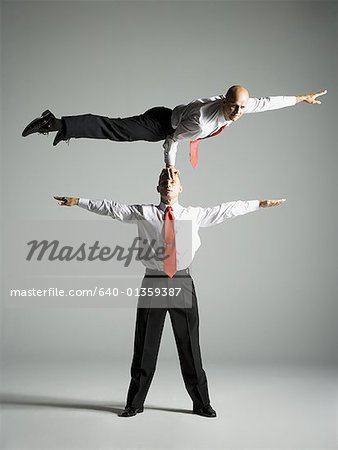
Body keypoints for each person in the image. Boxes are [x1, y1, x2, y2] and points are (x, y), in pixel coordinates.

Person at [54, 167, 285, 418]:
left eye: (173, 179)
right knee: (145, 346)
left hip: (182, 282)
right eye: (164, 180)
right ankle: (134, 403)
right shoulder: (143, 213)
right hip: (153, 282)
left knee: (189, 345)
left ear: (181, 188)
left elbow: (227, 209)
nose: (168, 183)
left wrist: (259, 204)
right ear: (158, 188)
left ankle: (201, 403)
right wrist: (79, 202)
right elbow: (111, 208)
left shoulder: (194, 215)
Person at [23, 85, 326, 167]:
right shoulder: (203, 119)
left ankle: (63, 126)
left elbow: (269, 101)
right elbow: (172, 141)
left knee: (115, 129)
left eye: (242, 107)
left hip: (167, 116)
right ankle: (56, 123)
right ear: (224, 102)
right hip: (161, 125)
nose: (237, 112)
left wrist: (301, 98)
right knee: (116, 130)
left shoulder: (241, 106)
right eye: (233, 106)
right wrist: (170, 168)